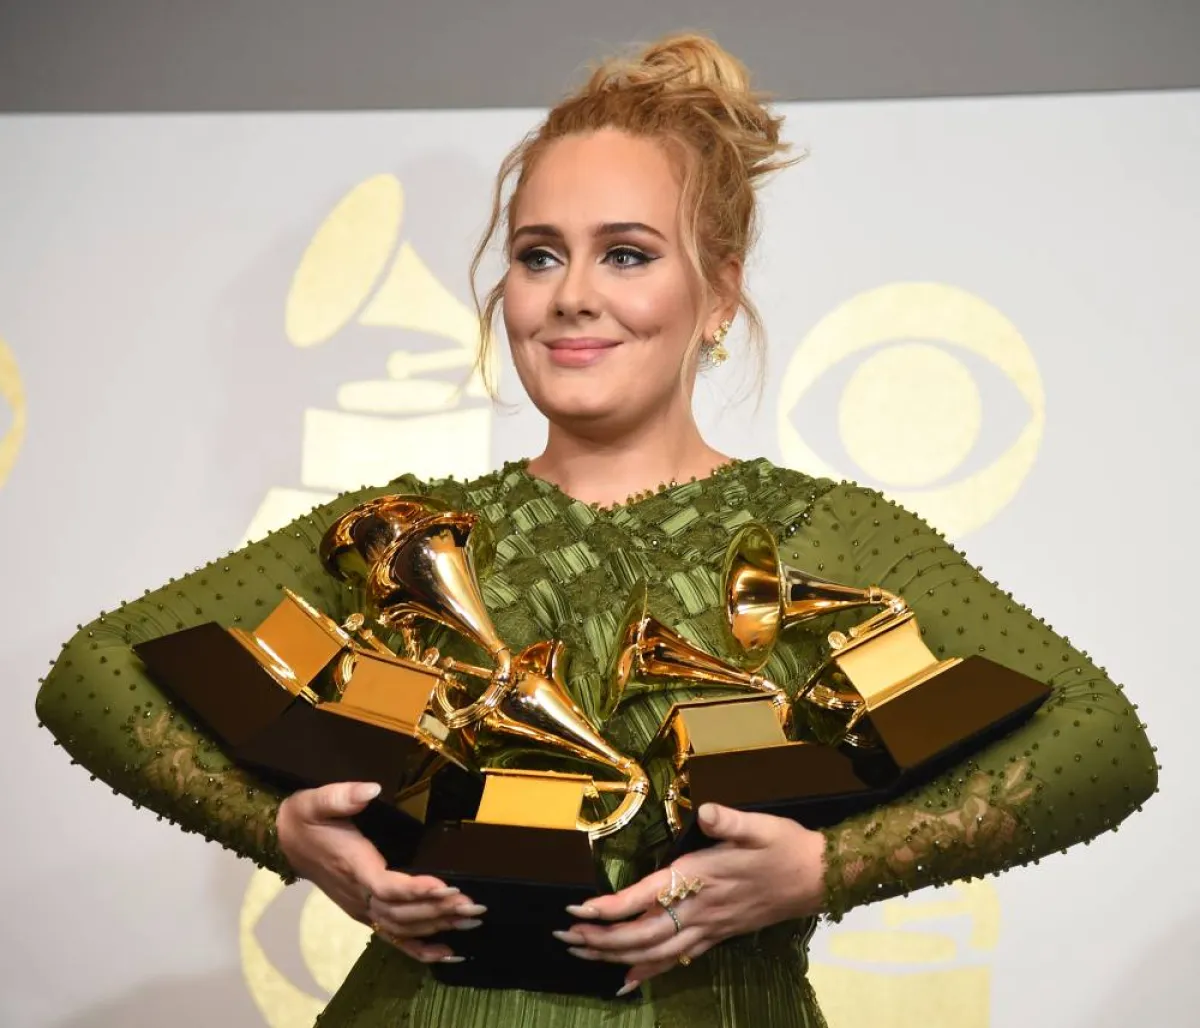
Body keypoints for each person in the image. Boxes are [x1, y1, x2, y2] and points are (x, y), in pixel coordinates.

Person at [36, 32, 1156, 1028]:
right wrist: (281, 831)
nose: (571, 293)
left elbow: (1099, 739)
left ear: (718, 295)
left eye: (625, 252)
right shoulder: (400, 530)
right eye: (538, 253)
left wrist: (825, 868)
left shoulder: (826, 534)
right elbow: (92, 672)